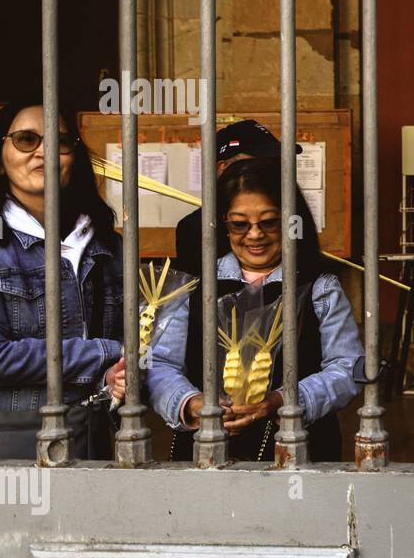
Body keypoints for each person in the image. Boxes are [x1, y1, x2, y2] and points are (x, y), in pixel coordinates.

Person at [144, 158, 360, 462]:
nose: (255, 235)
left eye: (269, 222)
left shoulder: (319, 287)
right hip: (205, 450)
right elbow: (161, 363)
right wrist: (191, 402)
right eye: (240, 224)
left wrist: (282, 401)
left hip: (297, 451)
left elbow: (347, 367)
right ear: (223, 224)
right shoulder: (195, 286)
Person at [0, 100, 125, 459]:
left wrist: (115, 375)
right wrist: (104, 352)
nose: (43, 151)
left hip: (91, 433)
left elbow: (130, 338)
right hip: (5, 440)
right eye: (26, 140)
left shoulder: (105, 244)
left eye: (59, 142)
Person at [172, 120, 300, 276]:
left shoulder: (292, 215)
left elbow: (303, 270)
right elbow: (195, 293)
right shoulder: (196, 227)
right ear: (223, 169)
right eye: (259, 163)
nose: (255, 234)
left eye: (276, 163)